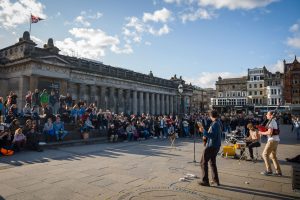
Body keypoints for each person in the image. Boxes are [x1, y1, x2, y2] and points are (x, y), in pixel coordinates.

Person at [198, 110, 222, 186]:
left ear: (211, 116)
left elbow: (212, 136)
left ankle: (205, 181)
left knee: (203, 162)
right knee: (212, 163)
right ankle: (215, 180)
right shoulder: (218, 122)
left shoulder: (215, 124)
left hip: (212, 146)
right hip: (216, 145)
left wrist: (203, 131)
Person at [258, 111, 282, 176]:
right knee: (273, 156)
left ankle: (269, 170)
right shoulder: (273, 121)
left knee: (264, 154)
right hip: (276, 140)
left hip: (272, 140)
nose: (266, 115)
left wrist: (261, 133)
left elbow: (270, 132)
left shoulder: (271, 122)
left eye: (267, 114)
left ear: (271, 115)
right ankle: (278, 172)